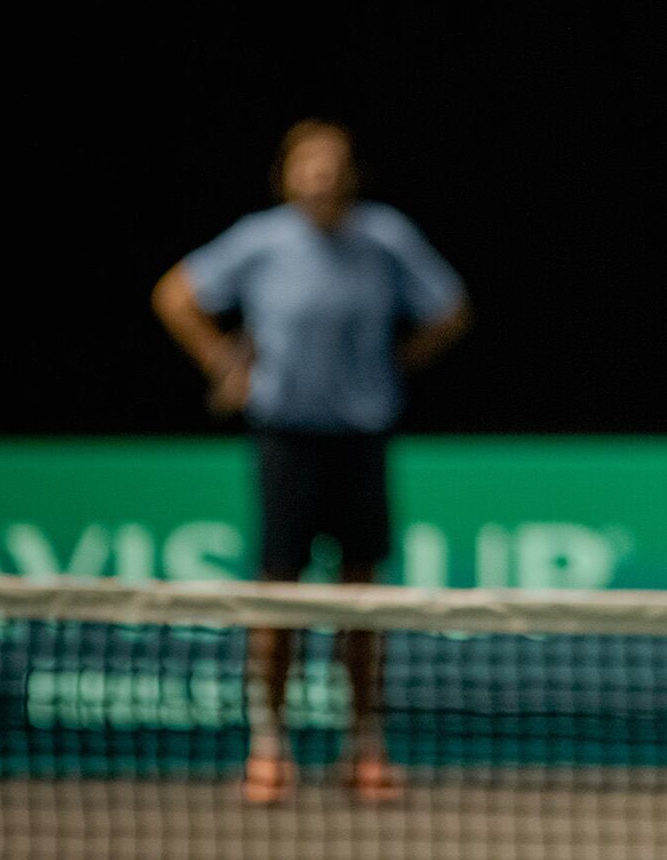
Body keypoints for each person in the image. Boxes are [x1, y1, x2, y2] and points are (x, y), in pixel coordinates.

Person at [151, 117, 470, 805]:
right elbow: (175, 294)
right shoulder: (259, 241)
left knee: (361, 600)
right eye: (308, 164)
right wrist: (221, 362)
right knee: (278, 596)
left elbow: (449, 309)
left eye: (333, 164)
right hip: (285, 441)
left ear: (350, 175)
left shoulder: (386, 238)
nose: (321, 175)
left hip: (361, 440)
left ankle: (365, 747)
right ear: (287, 175)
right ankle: (268, 746)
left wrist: (396, 364)